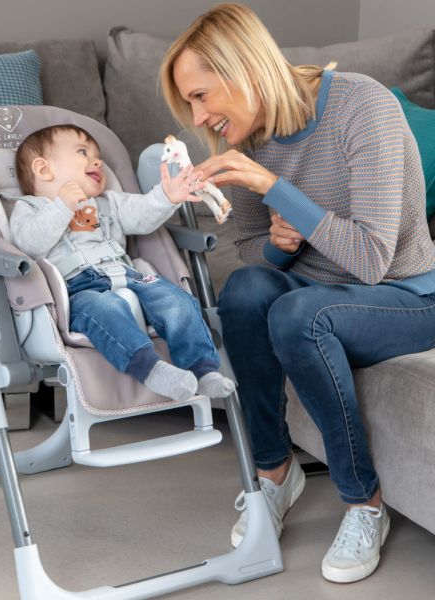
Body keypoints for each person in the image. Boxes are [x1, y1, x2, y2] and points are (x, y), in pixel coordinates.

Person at [159, 2, 435, 584]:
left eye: (202, 96)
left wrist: (275, 188)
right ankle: (275, 473)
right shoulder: (245, 139)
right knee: (244, 290)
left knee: (298, 314)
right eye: (190, 103)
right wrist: (281, 247)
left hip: (406, 295)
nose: (199, 116)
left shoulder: (362, 106)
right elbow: (250, 251)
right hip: (317, 289)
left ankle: (364, 502)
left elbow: (371, 261)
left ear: (244, 69)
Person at [10, 124, 235, 403]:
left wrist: (166, 197)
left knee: (176, 300)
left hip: (129, 274)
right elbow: (28, 245)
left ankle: (203, 369)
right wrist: (62, 206)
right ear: (44, 170)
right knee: (105, 309)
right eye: (83, 152)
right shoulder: (28, 208)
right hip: (78, 288)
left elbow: (141, 214)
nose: (97, 161)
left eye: (98, 156)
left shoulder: (108, 202)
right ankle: (152, 369)